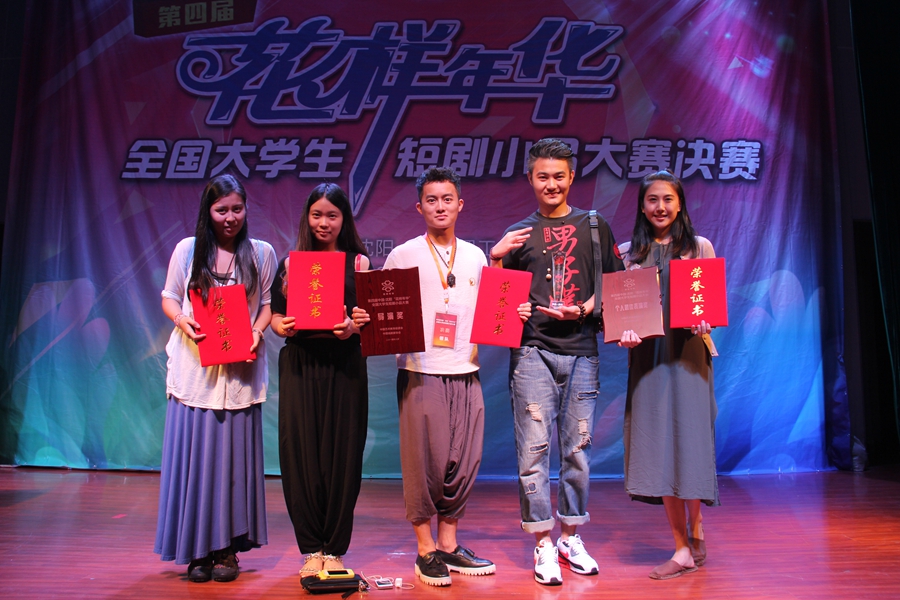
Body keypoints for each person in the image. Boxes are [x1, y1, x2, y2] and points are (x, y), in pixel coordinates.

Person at [353, 167, 522, 586]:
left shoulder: (476, 256)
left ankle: (449, 544)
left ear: (460, 204)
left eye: (447, 199)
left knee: (463, 462)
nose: (440, 207)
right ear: (419, 208)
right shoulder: (403, 255)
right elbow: (385, 311)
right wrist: (366, 314)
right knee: (424, 463)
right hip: (421, 370)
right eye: (432, 200)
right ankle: (425, 549)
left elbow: (493, 309)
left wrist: (512, 310)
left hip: (466, 368)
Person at [489, 138, 624, 585]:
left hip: (582, 350)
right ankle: (542, 543)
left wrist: (583, 309)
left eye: (559, 176)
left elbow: (615, 285)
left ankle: (570, 536)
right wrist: (496, 257)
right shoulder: (518, 234)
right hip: (532, 351)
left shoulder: (594, 226)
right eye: (542, 176)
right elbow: (497, 306)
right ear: (530, 178)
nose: (551, 184)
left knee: (577, 450)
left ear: (572, 177)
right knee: (533, 451)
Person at [155, 174, 276, 583]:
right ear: (208, 211)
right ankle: (198, 551)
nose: (230, 218)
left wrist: (257, 331)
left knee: (232, 466)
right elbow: (170, 297)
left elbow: (267, 304)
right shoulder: (188, 250)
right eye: (221, 210)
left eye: (237, 209)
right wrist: (182, 320)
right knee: (196, 463)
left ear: (246, 209)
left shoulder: (261, 253)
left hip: (240, 373)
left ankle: (227, 550)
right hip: (196, 373)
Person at [616, 170, 718, 580]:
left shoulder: (699, 247)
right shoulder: (628, 254)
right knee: (658, 447)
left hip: (690, 355)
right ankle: (681, 548)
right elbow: (619, 311)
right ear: (642, 207)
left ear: (680, 205)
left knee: (690, 444)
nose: (660, 207)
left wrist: (707, 320)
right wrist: (623, 333)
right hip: (648, 359)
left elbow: (709, 304)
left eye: (668, 199)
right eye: (652, 200)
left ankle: (696, 524)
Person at [269, 183, 371, 578]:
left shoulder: (359, 264)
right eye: (316, 215)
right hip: (300, 365)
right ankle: (312, 548)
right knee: (301, 454)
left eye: (332, 215)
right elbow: (276, 315)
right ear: (306, 218)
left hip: (345, 367)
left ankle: (336, 549)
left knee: (343, 455)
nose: (323, 223)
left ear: (344, 219)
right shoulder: (290, 264)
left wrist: (354, 328)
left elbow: (370, 321)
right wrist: (282, 326)